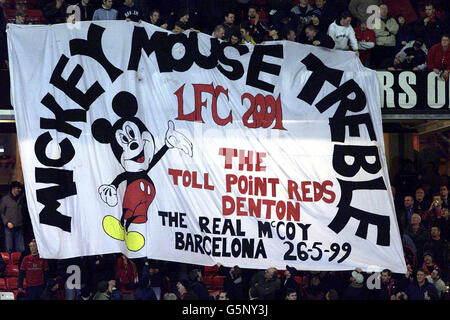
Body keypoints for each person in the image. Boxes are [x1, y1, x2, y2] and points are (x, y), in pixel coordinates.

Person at [0, 181, 25, 253]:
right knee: (9, 247)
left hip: (19, 226)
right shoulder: (5, 199)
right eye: (18, 188)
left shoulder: (21, 198)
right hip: (9, 227)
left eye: (20, 188)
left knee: (20, 248)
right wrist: (7, 222)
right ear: (13, 189)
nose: (19, 190)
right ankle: (9, 263)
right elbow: (1, 212)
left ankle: (20, 263)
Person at [372, 4, 399, 69]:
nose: (384, 10)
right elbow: (377, 32)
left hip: (391, 46)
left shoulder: (392, 20)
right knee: (380, 65)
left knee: (390, 65)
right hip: (380, 46)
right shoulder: (375, 20)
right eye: (382, 9)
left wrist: (384, 30)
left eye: (385, 9)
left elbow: (395, 30)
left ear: (387, 10)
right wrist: (389, 32)